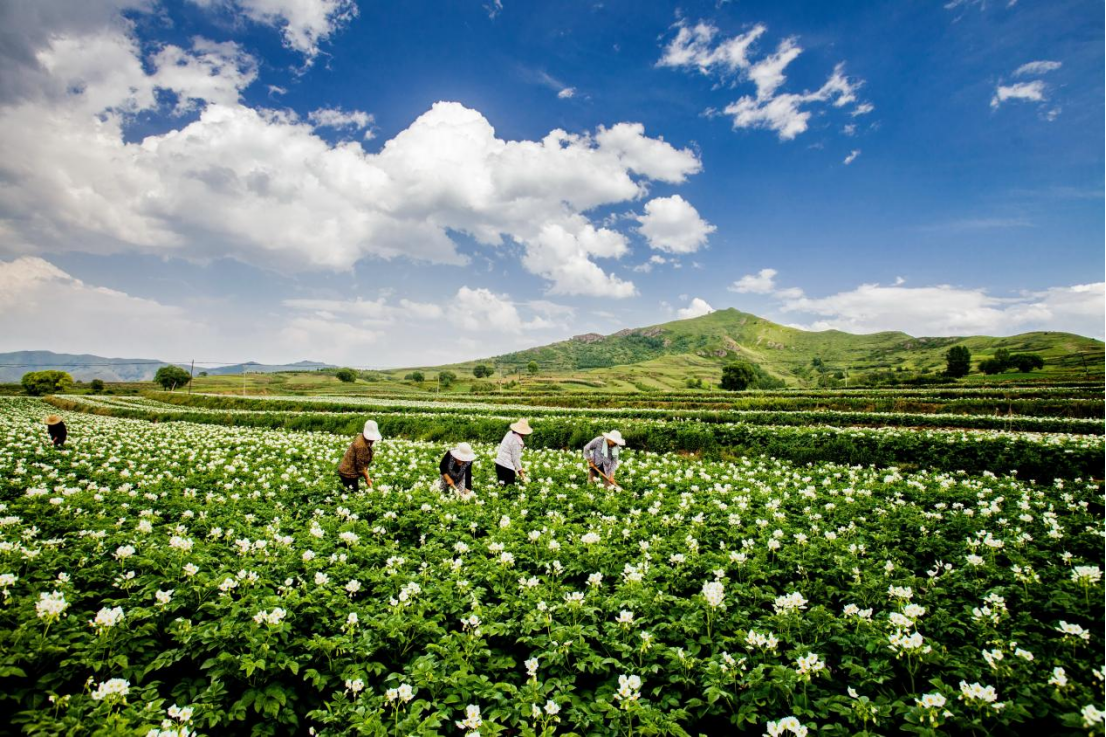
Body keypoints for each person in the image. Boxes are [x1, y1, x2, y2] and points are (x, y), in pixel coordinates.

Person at [337, 420, 382, 491]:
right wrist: (367, 479)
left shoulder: (362, 437)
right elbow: (360, 466)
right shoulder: (361, 445)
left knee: (352, 491)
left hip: (348, 471)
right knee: (352, 494)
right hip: (348, 473)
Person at [494, 419, 532, 486]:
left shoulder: (509, 433)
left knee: (502, 486)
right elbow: (516, 459)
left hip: (499, 464)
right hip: (507, 468)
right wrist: (521, 474)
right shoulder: (517, 442)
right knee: (510, 488)